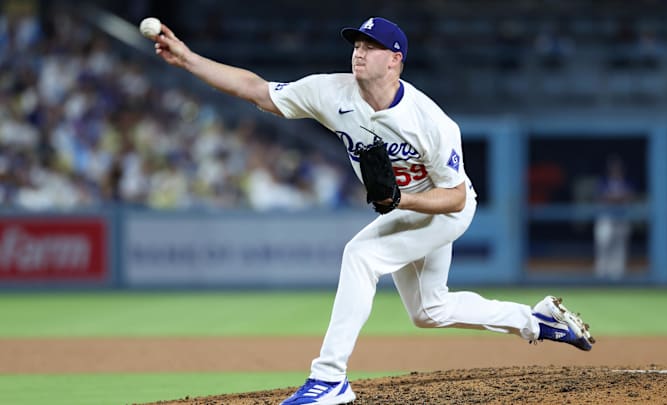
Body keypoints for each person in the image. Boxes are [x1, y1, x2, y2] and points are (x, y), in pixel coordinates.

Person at [149, 16, 595, 405]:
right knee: (429, 311)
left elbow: (456, 197)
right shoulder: (331, 92)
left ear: (395, 59)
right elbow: (258, 90)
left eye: (370, 46)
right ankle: (536, 321)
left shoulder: (431, 121)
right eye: (357, 45)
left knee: (360, 256)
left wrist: (403, 202)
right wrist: (188, 58)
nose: (359, 53)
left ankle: (329, 378)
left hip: (442, 208)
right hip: (404, 210)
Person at [594, 154, 635, 280]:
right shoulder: (603, 182)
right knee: (603, 244)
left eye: (618, 167)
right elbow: (601, 197)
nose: (615, 170)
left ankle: (617, 275)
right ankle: (601, 274)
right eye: (613, 167)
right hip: (606, 218)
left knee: (620, 246)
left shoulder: (627, 182)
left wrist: (614, 198)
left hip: (621, 218)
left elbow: (630, 197)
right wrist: (616, 198)